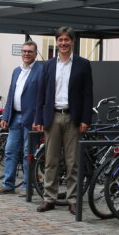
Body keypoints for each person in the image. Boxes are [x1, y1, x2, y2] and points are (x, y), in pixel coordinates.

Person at [33, 27, 93, 214]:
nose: (64, 43)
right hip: (52, 117)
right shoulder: (48, 65)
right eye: (60, 40)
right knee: (50, 161)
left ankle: (73, 199)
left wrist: (85, 119)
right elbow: (41, 94)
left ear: (72, 42)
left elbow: (88, 94)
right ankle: (49, 198)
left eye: (67, 40)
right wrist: (38, 118)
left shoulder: (83, 64)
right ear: (56, 42)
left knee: (72, 162)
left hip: (72, 118)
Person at [0, 40, 42, 194]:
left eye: (30, 51)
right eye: (24, 51)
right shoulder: (16, 70)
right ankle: (8, 184)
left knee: (28, 153)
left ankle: (27, 186)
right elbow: (11, 94)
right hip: (15, 117)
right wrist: (5, 116)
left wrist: (38, 119)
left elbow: (42, 98)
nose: (26, 54)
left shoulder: (41, 71)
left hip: (31, 119)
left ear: (35, 53)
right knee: (10, 151)